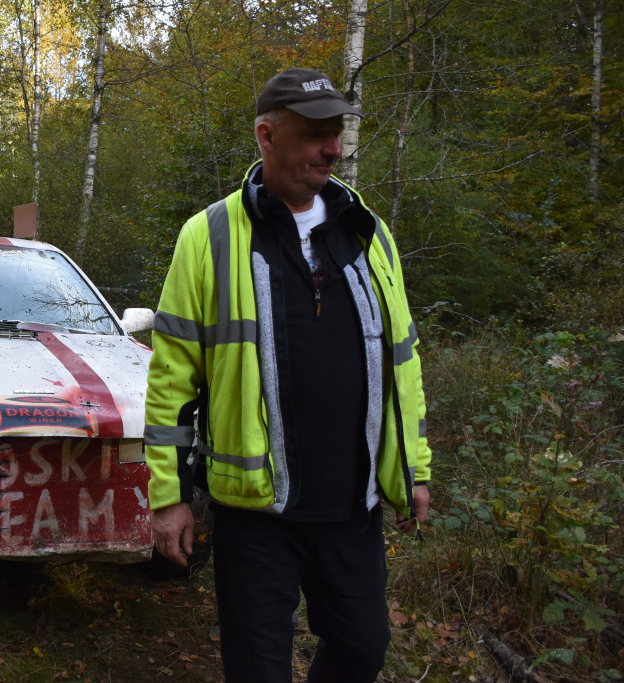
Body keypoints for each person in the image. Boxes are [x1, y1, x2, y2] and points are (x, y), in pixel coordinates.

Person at [143, 67, 432, 682]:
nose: (333, 148)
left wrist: (416, 469)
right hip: (256, 518)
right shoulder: (208, 237)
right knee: (257, 670)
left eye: (337, 133)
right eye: (314, 134)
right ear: (266, 136)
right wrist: (168, 497)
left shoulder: (367, 233)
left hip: (353, 507)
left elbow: (402, 360)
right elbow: (171, 382)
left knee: (362, 649)